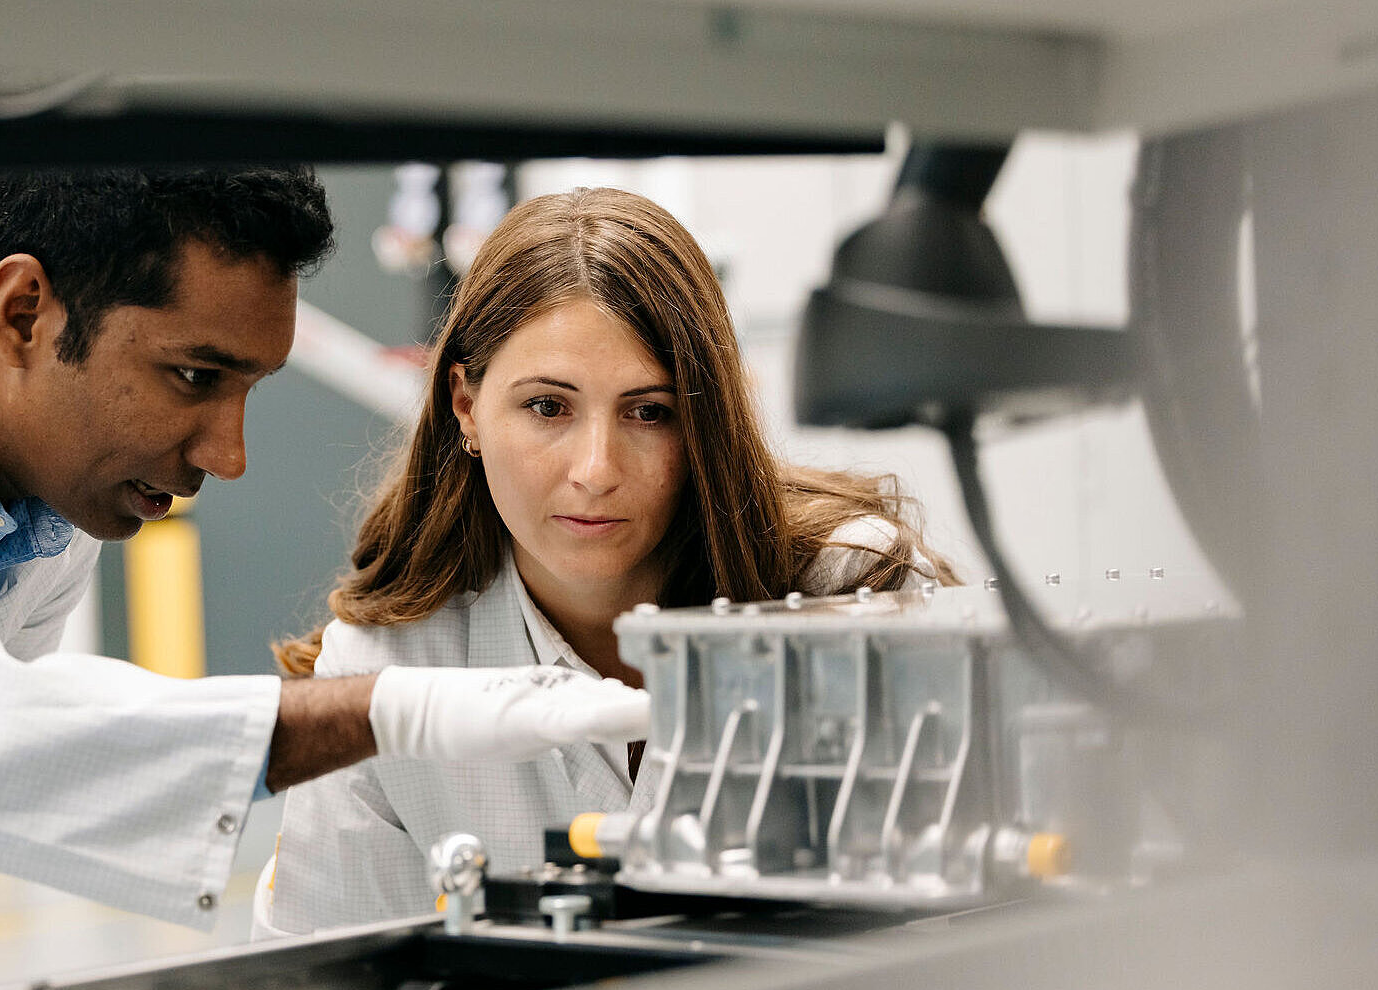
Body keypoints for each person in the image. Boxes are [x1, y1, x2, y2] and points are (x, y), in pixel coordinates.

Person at [0, 166, 651, 990]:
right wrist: (385, 709)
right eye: (193, 375)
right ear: (24, 310)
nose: (230, 451)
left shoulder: (40, 509)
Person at [256, 187, 959, 937]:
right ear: (465, 406)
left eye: (649, 412)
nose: (596, 470)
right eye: (549, 407)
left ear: (704, 423)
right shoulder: (385, 668)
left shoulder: (858, 597)